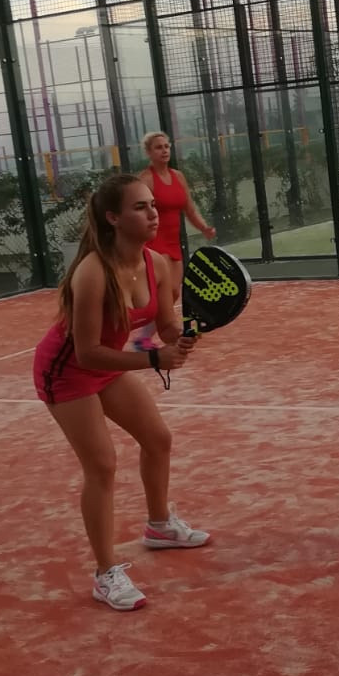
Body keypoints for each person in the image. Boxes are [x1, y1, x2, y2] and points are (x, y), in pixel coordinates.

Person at [32, 173, 209, 613]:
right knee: (102, 466)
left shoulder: (157, 263)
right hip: (66, 372)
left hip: (105, 365)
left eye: (153, 205)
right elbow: (88, 353)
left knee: (158, 439)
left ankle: (159, 526)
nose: (153, 214)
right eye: (140, 207)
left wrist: (182, 336)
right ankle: (106, 572)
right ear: (113, 218)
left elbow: (164, 325)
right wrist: (154, 359)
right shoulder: (93, 272)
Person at [138, 131, 216, 304]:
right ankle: (157, 321)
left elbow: (190, 209)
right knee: (164, 291)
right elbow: (137, 212)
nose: (164, 150)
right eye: (159, 147)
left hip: (173, 242)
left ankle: (151, 321)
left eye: (167, 146)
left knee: (174, 292)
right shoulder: (146, 179)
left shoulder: (178, 176)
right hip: (154, 241)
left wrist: (204, 228)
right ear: (149, 152)